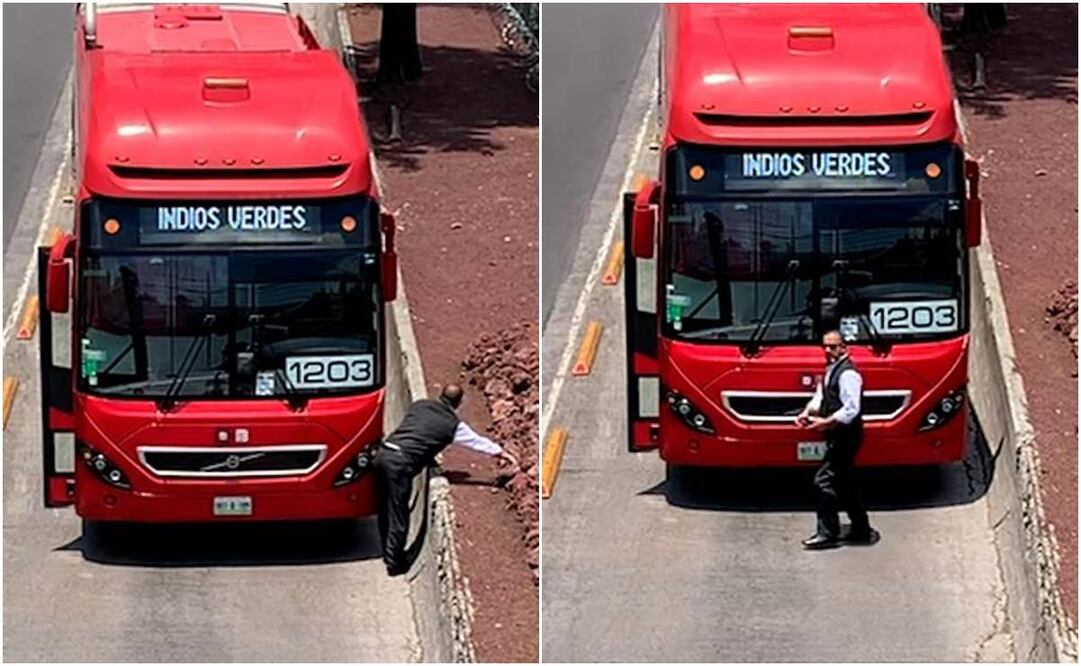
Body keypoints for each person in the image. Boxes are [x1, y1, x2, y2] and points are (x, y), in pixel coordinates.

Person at [375, 383, 518, 575]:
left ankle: (387, 551)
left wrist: (427, 454)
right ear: (458, 403)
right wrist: (502, 453)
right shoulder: (452, 425)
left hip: (384, 455)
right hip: (400, 465)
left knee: (385, 509)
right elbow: (477, 442)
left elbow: (418, 431)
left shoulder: (420, 405)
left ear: (441, 395)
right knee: (398, 514)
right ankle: (394, 563)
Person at [795, 330, 877, 550]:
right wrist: (807, 412)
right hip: (836, 434)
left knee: (823, 480)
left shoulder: (848, 374)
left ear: (844, 347)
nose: (828, 350)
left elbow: (851, 409)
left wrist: (826, 422)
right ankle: (860, 528)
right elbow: (821, 396)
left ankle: (827, 533)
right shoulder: (831, 369)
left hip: (846, 436)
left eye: (833, 346)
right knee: (845, 481)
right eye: (825, 346)